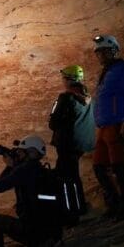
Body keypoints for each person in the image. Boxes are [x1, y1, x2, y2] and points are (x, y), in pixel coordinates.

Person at [91, 34, 124, 221]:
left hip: (117, 124)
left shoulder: (123, 69)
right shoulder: (107, 73)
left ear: (113, 51)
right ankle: (114, 203)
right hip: (105, 126)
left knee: (120, 165)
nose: (100, 55)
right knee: (99, 166)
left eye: (104, 51)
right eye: (98, 52)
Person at [0, 135, 63, 247]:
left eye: (21, 152)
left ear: (31, 152)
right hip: (52, 232)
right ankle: (39, 244)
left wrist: (9, 166)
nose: (19, 155)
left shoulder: (24, 170)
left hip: (34, 232)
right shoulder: (40, 168)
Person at [48, 65, 93, 216]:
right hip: (80, 143)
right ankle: (78, 207)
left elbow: (53, 123)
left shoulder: (66, 97)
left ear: (68, 79)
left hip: (68, 143)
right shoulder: (87, 96)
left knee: (67, 178)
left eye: (63, 78)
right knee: (71, 175)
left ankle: (73, 211)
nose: (62, 81)